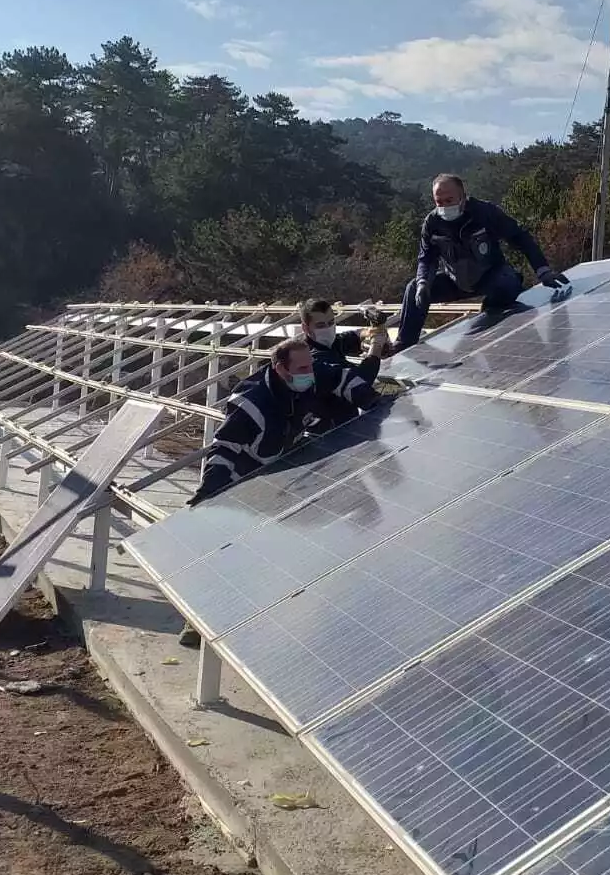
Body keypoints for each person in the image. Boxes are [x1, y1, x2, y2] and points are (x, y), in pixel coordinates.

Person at [177, 337, 378, 647]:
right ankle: (197, 622)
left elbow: (342, 378)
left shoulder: (310, 377)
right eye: (301, 368)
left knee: (270, 546)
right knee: (227, 551)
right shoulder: (252, 404)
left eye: (309, 365)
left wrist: (369, 398)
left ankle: (265, 614)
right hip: (242, 477)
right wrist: (211, 489)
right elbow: (225, 449)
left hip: (280, 470)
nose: (309, 373)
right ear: (280, 369)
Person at [392, 173, 568, 351]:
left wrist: (542, 270)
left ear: (462, 196)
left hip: (490, 276)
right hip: (455, 281)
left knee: (508, 282)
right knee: (414, 289)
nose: (445, 206)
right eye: (439, 202)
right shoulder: (432, 223)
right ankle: (404, 344)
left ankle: (492, 309)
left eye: (449, 200)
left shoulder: (485, 213)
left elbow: (519, 237)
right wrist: (423, 283)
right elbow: (426, 258)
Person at [299, 298, 390, 427]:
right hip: (331, 433)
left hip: (348, 423)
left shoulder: (328, 344)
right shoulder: (313, 360)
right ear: (305, 328)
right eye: (320, 325)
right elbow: (361, 381)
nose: (328, 329)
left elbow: (351, 337)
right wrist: (376, 346)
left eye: (331, 322)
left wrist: (369, 333)